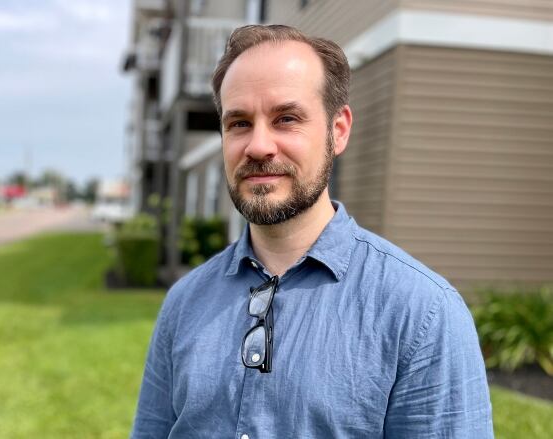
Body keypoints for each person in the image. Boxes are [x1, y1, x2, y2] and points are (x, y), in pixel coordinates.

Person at [131, 25, 493, 438]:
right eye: (239, 123)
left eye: (286, 118)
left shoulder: (422, 314)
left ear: (338, 130)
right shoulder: (185, 302)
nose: (259, 146)